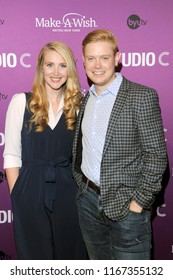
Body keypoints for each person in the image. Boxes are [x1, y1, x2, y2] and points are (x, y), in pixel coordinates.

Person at [72, 29, 168, 260]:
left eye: (104, 58)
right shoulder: (86, 99)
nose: (97, 65)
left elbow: (156, 157)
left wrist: (138, 204)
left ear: (117, 58)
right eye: (91, 58)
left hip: (127, 209)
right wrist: (82, 188)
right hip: (88, 203)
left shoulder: (141, 96)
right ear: (83, 61)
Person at [3, 41, 87, 260]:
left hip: (69, 190)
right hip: (30, 188)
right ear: (41, 68)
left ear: (70, 69)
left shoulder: (78, 106)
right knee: (35, 260)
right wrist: (18, 196)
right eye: (50, 65)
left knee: (70, 257)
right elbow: (11, 155)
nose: (56, 72)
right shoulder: (21, 102)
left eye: (62, 65)